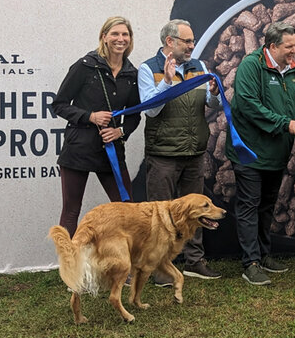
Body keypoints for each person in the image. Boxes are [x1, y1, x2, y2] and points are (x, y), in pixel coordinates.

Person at [227, 21, 295, 286]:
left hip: (277, 153)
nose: (293, 51)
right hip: (250, 152)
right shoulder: (251, 66)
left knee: (267, 205)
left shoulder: (294, 70)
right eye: (289, 47)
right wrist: (283, 124)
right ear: (272, 46)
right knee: (249, 206)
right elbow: (247, 104)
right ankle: (250, 263)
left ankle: (264, 254)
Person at [138, 19, 222, 284]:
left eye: (193, 41)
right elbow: (150, 110)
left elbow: (210, 105)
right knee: (160, 216)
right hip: (163, 154)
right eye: (187, 41)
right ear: (169, 42)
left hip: (194, 152)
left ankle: (195, 261)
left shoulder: (200, 67)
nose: (192, 46)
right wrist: (167, 82)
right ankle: (160, 268)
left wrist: (214, 95)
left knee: (196, 213)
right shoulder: (148, 69)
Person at [52, 16, 141, 237]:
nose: (121, 39)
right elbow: (59, 105)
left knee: (127, 209)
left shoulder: (132, 73)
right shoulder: (85, 66)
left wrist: (121, 131)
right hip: (78, 148)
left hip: (110, 151)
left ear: (130, 39)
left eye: (125, 35)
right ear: (104, 37)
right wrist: (90, 116)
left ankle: (126, 267)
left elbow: (134, 114)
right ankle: (68, 267)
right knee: (71, 211)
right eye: (115, 34)